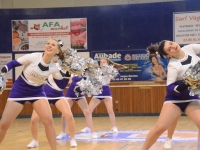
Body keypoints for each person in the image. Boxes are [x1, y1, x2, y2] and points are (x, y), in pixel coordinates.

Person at [0, 39, 68, 150]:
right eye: (48, 43)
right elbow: (12, 63)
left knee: (48, 121)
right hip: (20, 90)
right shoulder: (33, 57)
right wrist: (2, 71)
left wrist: (69, 72)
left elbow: (61, 84)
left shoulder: (53, 68)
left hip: (37, 92)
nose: (49, 46)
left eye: (53, 45)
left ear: (57, 51)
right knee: (4, 124)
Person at [142, 41, 200, 150]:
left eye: (171, 43)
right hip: (175, 100)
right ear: (169, 55)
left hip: (192, 98)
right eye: (169, 49)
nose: (173, 46)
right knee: (160, 128)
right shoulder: (173, 64)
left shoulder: (190, 48)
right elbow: (169, 87)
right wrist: (184, 85)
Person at [27, 64, 77, 148]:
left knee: (69, 116)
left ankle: (72, 139)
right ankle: (34, 140)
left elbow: (76, 81)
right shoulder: (54, 66)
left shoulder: (71, 70)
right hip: (45, 95)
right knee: (34, 119)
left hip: (59, 96)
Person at [81, 58, 126, 133]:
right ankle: (88, 127)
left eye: (104, 62)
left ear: (107, 63)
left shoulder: (109, 69)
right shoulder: (96, 70)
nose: (102, 63)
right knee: (89, 111)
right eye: (101, 62)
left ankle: (114, 127)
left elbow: (118, 76)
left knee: (110, 110)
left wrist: (111, 71)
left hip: (106, 91)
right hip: (97, 92)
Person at [56, 75, 98, 139]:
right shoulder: (72, 70)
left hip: (80, 93)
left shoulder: (86, 72)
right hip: (71, 93)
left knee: (87, 112)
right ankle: (63, 132)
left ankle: (93, 132)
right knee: (64, 114)